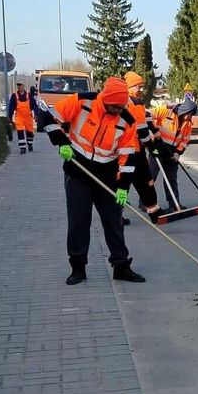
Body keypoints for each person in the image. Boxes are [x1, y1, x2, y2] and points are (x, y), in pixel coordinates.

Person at [42, 76, 146, 286]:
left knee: (113, 221)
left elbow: (128, 156)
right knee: (79, 221)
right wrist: (61, 142)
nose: (117, 111)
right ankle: (78, 267)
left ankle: (121, 266)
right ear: (104, 99)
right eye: (114, 106)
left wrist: (123, 186)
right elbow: (46, 118)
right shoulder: (81, 102)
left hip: (107, 175)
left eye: (121, 106)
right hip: (78, 171)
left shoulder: (126, 121)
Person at [122, 71, 162, 221]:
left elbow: (146, 120)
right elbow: (142, 130)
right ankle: (155, 214)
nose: (141, 89)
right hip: (135, 151)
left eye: (141, 86)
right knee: (146, 183)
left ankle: (116, 217)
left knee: (122, 184)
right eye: (137, 86)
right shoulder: (135, 103)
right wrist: (152, 148)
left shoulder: (121, 101)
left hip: (120, 151)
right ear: (130, 86)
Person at [150, 97, 197, 213]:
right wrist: (152, 132)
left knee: (171, 178)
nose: (190, 117)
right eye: (190, 114)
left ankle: (174, 204)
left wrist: (178, 153)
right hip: (157, 148)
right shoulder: (166, 110)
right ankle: (146, 202)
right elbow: (147, 116)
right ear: (185, 111)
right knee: (151, 176)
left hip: (172, 152)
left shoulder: (188, 123)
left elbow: (185, 140)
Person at [8, 82, 38, 155]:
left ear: (23, 86)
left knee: (29, 132)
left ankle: (30, 144)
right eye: (18, 86)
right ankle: (22, 148)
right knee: (20, 131)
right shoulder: (14, 96)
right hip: (19, 117)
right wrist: (10, 117)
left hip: (28, 117)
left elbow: (35, 105)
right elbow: (11, 107)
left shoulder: (29, 96)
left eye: (20, 85)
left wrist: (36, 114)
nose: (19, 87)